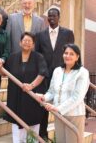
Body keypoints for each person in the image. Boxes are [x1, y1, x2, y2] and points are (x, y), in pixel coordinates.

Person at [35, 8, 75, 139]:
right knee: (43, 105)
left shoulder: (68, 33)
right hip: (45, 76)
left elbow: (71, 53)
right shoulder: (40, 35)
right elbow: (38, 55)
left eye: (54, 16)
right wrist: (41, 71)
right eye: (49, 16)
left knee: (63, 103)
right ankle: (43, 134)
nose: (51, 18)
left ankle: (62, 136)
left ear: (59, 17)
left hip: (62, 75)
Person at [38, 44, 89, 143]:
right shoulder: (57, 71)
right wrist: (44, 97)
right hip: (59, 114)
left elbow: (77, 97)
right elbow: (52, 91)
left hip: (74, 115)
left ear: (77, 57)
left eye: (71, 54)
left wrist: (58, 108)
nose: (67, 56)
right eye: (66, 53)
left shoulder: (82, 72)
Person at [4, 32, 49, 143]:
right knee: (16, 126)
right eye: (24, 40)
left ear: (33, 44)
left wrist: (31, 85)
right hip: (16, 97)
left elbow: (42, 73)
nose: (27, 43)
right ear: (20, 42)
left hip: (32, 96)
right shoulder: (13, 57)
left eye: (30, 41)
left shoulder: (39, 57)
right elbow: (3, 73)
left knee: (33, 127)